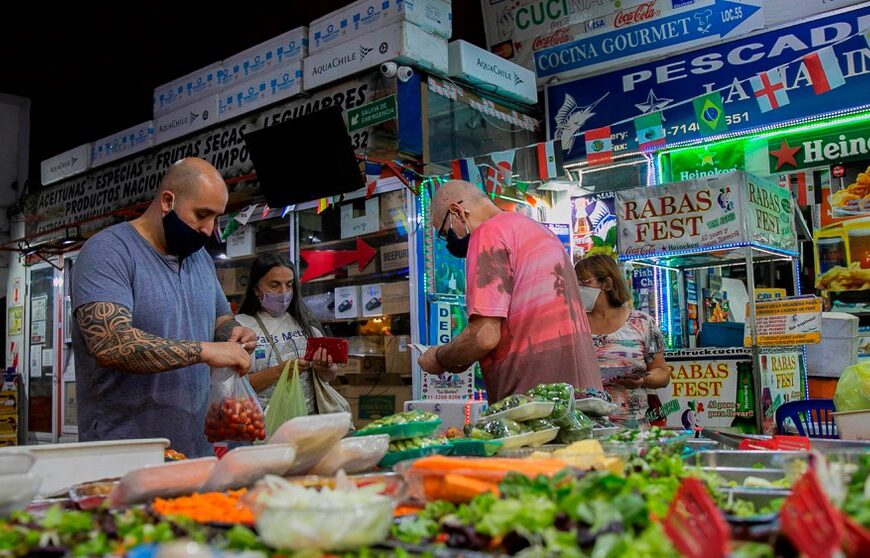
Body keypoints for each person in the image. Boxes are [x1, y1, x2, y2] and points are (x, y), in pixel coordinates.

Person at [71, 158, 257, 457]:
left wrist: (235, 334)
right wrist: (204, 350)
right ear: (168, 200)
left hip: (195, 450)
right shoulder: (108, 252)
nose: (209, 230)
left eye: (216, 218)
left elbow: (219, 319)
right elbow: (109, 343)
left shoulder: (200, 260)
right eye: (202, 215)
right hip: (123, 453)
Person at [417, 180, 602, 402]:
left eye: (445, 233)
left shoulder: (488, 235)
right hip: (581, 394)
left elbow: (483, 336)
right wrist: (463, 355)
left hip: (535, 404)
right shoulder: (537, 229)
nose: (450, 243)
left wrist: (439, 357)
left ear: (456, 211)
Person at [234, 254, 338, 414]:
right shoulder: (240, 327)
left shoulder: (305, 322)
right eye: (274, 285)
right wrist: (279, 372)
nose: (283, 292)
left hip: (308, 421)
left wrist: (326, 368)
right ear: (256, 289)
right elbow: (233, 387)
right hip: (263, 425)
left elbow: (329, 376)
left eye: (289, 285)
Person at [574, 255, 670, 427]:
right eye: (575, 283)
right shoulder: (572, 325)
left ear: (607, 284)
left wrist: (643, 380)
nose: (578, 288)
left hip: (632, 431)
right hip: (583, 431)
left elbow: (662, 374)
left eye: (584, 282)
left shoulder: (641, 322)